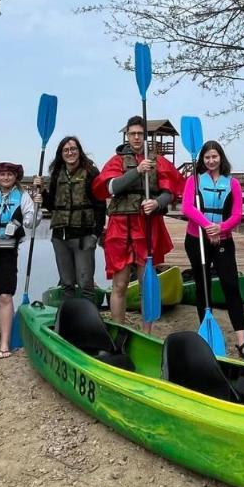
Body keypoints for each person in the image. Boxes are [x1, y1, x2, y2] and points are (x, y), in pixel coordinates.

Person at [93, 116, 183, 330]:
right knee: (120, 284)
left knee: (147, 284)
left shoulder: (157, 161)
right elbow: (109, 187)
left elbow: (171, 191)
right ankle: (119, 330)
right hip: (120, 226)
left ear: (145, 136)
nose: (135, 137)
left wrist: (157, 202)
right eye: (132, 133)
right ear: (127, 135)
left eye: (140, 134)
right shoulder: (117, 160)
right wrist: (137, 171)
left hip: (147, 225)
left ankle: (147, 332)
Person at [181, 140, 244, 357]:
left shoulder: (233, 183)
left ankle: (241, 340)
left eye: (214, 157)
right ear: (202, 160)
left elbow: (237, 214)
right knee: (203, 286)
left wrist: (221, 228)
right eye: (207, 157)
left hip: (223, 240)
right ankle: (206, 333)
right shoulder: (194, 181)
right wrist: (208, 226)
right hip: (197, 239)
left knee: (230, 285)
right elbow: (187, 207)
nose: (211, 160)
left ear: (221, 158)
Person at [33, 136, 106, 301]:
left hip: (84, 236)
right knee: (67, 284)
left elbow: (100, 206)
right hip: (60, 237)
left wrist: (95, 234)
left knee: (85, 283)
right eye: (66, 150)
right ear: (61, 154)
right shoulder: (57, 173)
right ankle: (68, 321)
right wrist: (42, 191)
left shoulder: (91, 173)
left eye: (73, 149)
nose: (70, 152)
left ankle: (88, 323)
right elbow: (52, 205)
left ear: (79, 151)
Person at [0, 161, 35, 358]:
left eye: (9, 175)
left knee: (4, 295)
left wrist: (35, 208)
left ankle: (4, 342)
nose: (5, 178)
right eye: (2, 174)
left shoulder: (23, 196)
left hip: (7, 251)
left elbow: (30, 221)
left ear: (15, 177)